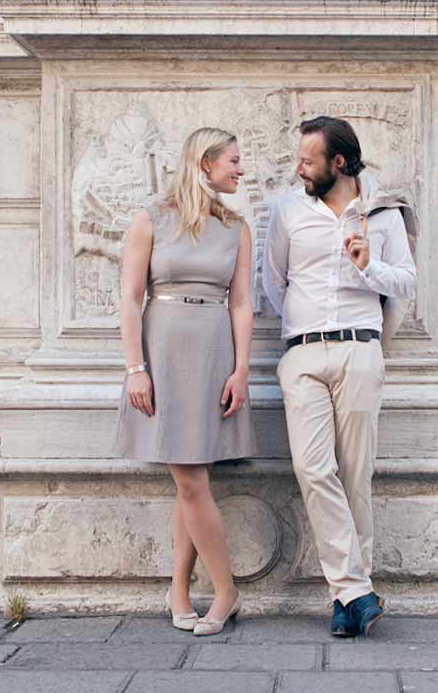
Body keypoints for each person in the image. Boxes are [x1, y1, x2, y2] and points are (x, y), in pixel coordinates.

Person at [261, 116, 417, 637]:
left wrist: (369, 267)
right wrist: (304, 332)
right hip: (303, 354)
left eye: (308, 161)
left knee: (355, 476)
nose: (299, 169)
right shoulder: (286, 211)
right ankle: (357, 588)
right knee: (312, 468)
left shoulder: (382, 214)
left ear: (340, 163)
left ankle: (345, 599)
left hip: (360, 350)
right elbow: (275, 284)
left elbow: (406, 284)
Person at [113, 127, 257, 637]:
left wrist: (241, 370)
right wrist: (136, 367)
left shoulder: (236, 227)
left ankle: (183, 588)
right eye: (234, 161)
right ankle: (224, 589)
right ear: (204, 163)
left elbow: (241, 303)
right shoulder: (150, 219)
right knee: (190, 478)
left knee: (191, 479)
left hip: (213, 349)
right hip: (164, 349)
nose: (241, 170)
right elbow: (131, 298)